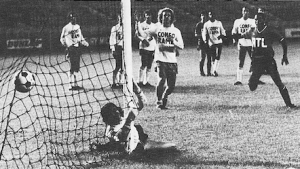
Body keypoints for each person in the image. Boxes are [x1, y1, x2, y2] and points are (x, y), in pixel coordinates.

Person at [94, 81, 175, 154]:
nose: (116, 113)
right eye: (112, 112)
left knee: (171, 146)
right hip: (132, 145)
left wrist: (137, 90)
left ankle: (144, 143)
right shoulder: (111, 131)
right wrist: (131, 111)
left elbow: (141, 103)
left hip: (139, 138)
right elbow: (124, 130)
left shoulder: (121, 118)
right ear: (108, 118)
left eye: (115, 110)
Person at [246, 13, 296, 108]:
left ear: (264, 20)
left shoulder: (270, 30)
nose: (256, 21)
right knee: (251, 86)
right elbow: (241, 36)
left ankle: (289, 104)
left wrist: (284, 55)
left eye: (258, 19)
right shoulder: (252, 30)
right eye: (255, 19)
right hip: (257, 62)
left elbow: (283, 41)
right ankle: (259, 75)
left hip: (268, 61)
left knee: (278, 83)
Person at [138, 7, 184, 110]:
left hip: (172, 61)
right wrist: (137, 24)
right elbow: (144, 34)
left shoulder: (175, 31)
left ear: (171, 18)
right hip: (160, 60)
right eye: (164, 16)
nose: (166, 17)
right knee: (161, 79)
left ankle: (165, 96)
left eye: (168, 16)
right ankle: (159, 101)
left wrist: (171, 44)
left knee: (171, 86)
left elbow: (181, 45)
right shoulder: (157, 28)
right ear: (161, 18)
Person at [60, 12, 89, 90]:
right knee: (72, 67)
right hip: (71, 48)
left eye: (75, 17)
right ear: (70, 19)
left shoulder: (77, 27)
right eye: (72, 17)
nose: (74, 19)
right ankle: (70, 85)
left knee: (76, 67)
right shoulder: (66, 28)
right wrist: (66, 45)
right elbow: (62, 38)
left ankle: (75, 84)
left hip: (77, 48)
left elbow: (80, 37)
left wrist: (85, 43)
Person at [232, 7, 256, 85]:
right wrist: (234, 39)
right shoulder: (237, 21)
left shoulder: (252, 21)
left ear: (249, 13)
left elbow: (253, 31)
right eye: (244, 11)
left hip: (251, 44)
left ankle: (256, 78)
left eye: (247, 11)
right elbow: (234, 32)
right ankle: (239, 80)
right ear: (242, 12)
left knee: (255, 61)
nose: (245, 12)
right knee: (240, 61)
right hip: (242, 44)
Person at [135, 10, 156, 88]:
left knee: (149, 65)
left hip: (152, 47)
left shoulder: (154, 25)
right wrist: (143, 40)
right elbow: (136, 35)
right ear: (144, 16)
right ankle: (139, 81)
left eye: (149, 15)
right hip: (144, 47)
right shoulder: (141, 25)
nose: (148, 16)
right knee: (144, 64)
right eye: (146, 15)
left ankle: (146, 82)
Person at [202, 11, 226, 77]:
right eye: (210, 14)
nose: (211, 16)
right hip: (211, 42)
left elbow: (223, 31)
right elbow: (204, 33)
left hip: (219, 42)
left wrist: (222, 35)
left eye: (212, 14)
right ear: (208, 15)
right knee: (213, 56)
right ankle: (214, 71)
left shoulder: (218, 23)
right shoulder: (206, 24)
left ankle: (214, 70)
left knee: (218, 57)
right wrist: (205, 40)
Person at [109, 14, 124, 89]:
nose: (121, 20)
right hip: (118, 48)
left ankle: (120, 82)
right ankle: (114, 82)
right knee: (118, 66)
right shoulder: (115, 28)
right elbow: (112, 39)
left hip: (124, 50)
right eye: (120, 18)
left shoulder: (126, 28)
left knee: (123, 67)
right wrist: (113, 49)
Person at [195, 11, 210, 76]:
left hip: (209, 43)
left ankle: (209, 72)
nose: (203, 17)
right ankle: (201, 71)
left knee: (209, 58)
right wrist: (202, 35)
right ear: (201, 16)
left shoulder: (209, 24)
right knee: (202, 58)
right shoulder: (199, 25)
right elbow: (196, 34)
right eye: (202, 15)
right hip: (202, 43)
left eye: (204, 15)